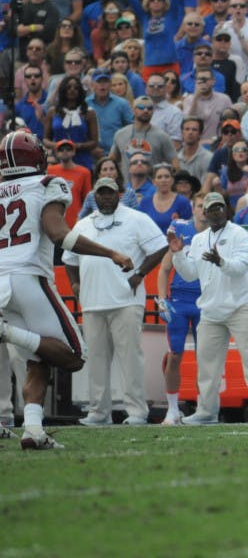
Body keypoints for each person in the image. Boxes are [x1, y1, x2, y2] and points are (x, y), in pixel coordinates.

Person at [0, 132, 134, 449]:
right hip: (28, 277)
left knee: (41, 354)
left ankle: (33, 430)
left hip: (2, 279)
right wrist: (111, 253)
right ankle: (5, 332)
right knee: (74, 355)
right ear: (33, 156)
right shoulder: (47, 184)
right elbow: (59, 233)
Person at [166, 192, 248, 425]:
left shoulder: (239, 234)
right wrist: (177, 254)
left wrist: (221, 262)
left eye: (220, 208)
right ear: (204, 213)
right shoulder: (198, 239)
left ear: (226, 210)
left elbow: (242, 267)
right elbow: (189, 274)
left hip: (241, 306)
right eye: (211, 209)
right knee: (207, 364)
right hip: (210, 310)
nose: (215, 212)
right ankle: (207, 411)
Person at [64, 177, 168, 426]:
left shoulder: (136, 218)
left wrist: (141, 273)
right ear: (94, 196)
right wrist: (75, 284)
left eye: (110, 193)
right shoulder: (83, 224)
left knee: (130, 357)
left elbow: (161, 247)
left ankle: (137, 412)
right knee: (96, 360)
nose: (106, 197)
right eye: (101, 193)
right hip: (91, 302)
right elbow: (69, 258)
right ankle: (99, 413)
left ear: (118, 194)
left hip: (126, 301)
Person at [155, 193, 207, 426]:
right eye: (200, 206)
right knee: (175, 354)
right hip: (179, 300)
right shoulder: (181, 229)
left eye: (207, 206)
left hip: (205, 300)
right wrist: (162, 299)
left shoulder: (219, 234)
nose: (204, 210)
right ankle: (173, 410)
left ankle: (204, 407)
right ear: (193, 209)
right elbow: (165, 268)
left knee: (205, 357)